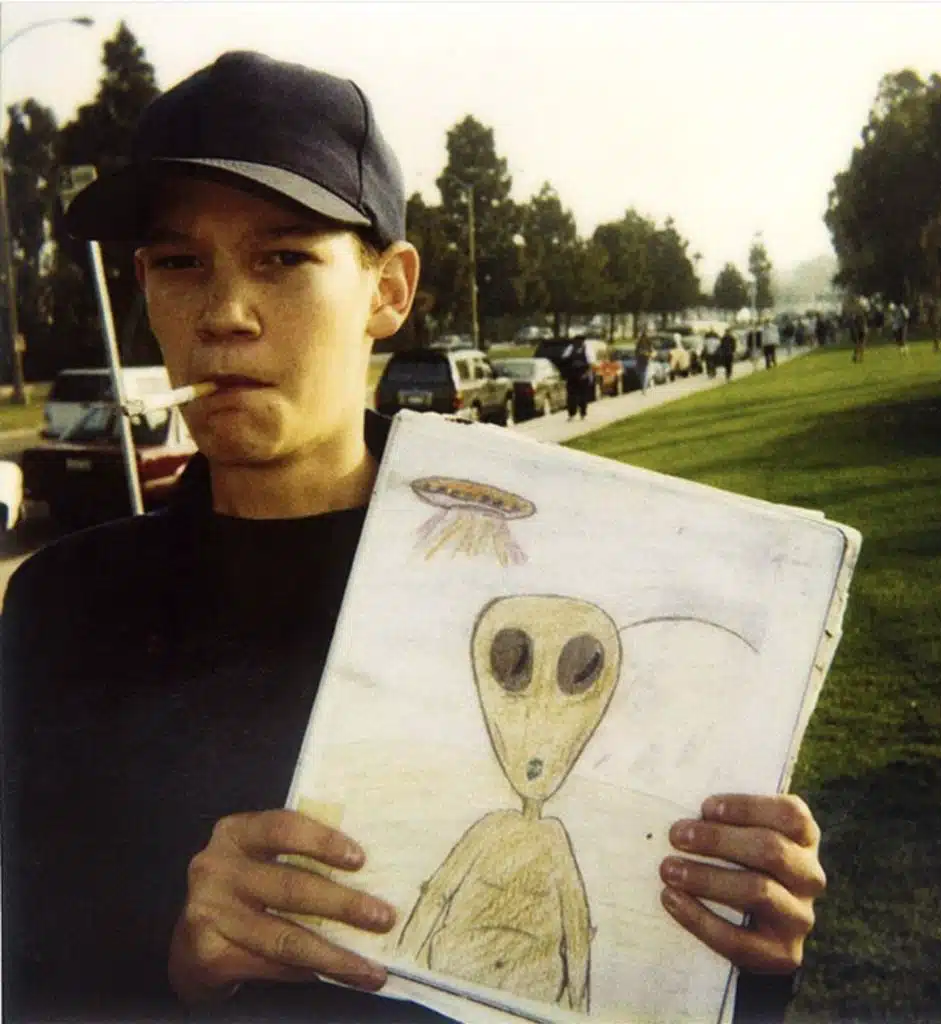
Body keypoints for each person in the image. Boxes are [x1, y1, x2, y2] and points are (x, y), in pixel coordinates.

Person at [1, 51, 824, 1024]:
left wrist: (742, 957)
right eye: (181, 263)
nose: (223, 314)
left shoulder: (554, 574)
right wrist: (175, 960)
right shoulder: (65, 608)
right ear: (145, 286)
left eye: (282, 258)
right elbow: (34, 963)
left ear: (388, 290)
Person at [563, 335, 594, 420]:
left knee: (576, 395)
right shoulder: (583, 348)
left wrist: (586, 374)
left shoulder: (572, 348)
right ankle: (577, 413)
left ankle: (577, 413)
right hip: (577, 374)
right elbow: (591, 363)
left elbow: (564, 359)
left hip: (578, 374)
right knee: (577, 395)